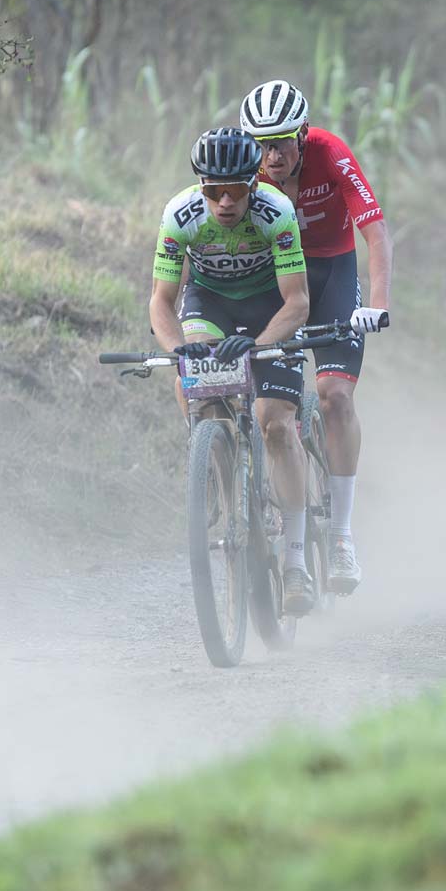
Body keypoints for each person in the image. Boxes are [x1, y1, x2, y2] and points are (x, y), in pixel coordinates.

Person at [149, 126, 319, 615]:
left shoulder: (275, 212)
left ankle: (295, 562)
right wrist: (179, 350)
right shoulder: (180, 215)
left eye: (235, 191)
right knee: (194, 381)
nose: (224, 202)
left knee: (275, 424)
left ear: (253, 184)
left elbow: (298, 302)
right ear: (200, 186)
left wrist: (260, 344)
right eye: (213, 191)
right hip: (211, 303)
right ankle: (213, 464)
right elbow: (161, 303)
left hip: (271, 305)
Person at [239, 79, 391, 595]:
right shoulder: (246, 168)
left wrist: (377, 305)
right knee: (273, 418)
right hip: (277, 283)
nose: (272, 156)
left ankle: (342, 534)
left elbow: (375, 232)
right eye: (262, 145)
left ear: (303, 133)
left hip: (331, 275)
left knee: (334, 396)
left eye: (282, 141)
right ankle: (285, 535)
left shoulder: (331, 153)